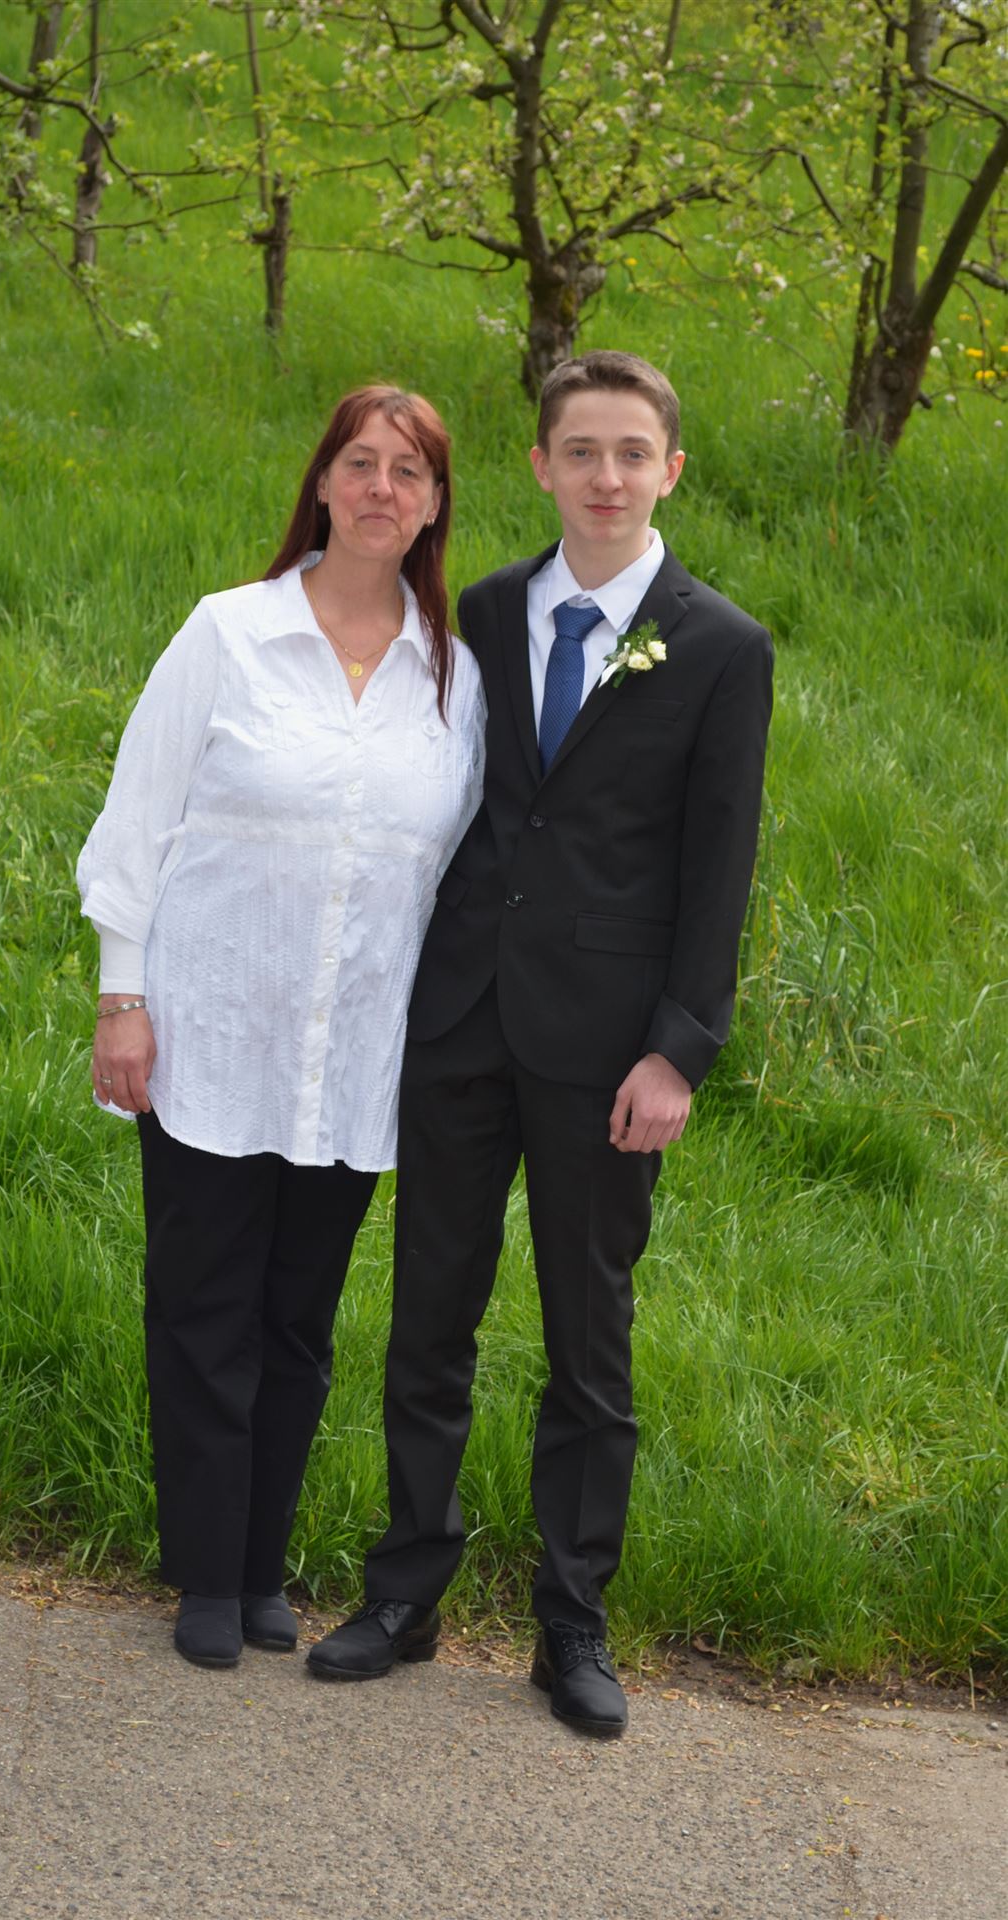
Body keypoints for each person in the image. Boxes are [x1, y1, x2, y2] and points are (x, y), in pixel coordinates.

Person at [308, 351, 774, 1737]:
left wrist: (678, 1050)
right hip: (461, 1023)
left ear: (668, 471)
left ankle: (570, 1621)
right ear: (539, 467)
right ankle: (405, 1590)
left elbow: (717, 868)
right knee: (427, 1320)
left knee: (587, 1347)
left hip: (606, 1054)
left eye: (630, 453)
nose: (604, 477)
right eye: (580, 451)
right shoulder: (486, 608)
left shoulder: (718, 647)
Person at [76, 387, 484, 1671]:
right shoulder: (230, 633)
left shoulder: (453, 675)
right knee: (202, 1308)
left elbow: (455, 872)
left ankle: (261, 1569)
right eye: (358, 463)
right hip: (208, 1033)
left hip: (352, 1058)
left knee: (299, 1323)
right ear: (320, 483)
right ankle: (205, 1575)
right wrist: (122, 998)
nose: (379, 489)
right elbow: (135, 821)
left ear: (433, 504)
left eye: (406, 472)